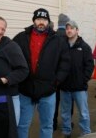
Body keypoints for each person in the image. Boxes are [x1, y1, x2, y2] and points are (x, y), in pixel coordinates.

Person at [13, 8, 71, 138]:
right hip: (25, 89)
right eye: (38, 19)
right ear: (33, 21)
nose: (41, 22)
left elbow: (65, 62)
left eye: (44, 20)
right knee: (22, 124)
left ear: (48, 22)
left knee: (47, 125)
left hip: (48, 91)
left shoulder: (57, 40)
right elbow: (10, 56)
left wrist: (56, 81)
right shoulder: (21, 38)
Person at [60, 20, 94, 137]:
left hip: (79, 88)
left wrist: (83, 80)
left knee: (83, 113)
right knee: (65, 113)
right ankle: (66, 131)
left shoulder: (84, 47)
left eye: (72, 28)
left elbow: (90, 66)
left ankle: (86, 133)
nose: (69, 30)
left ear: (77, 30)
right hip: (65, 87)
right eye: (67, 28)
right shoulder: (62, 46)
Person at [53, 13, 74, 131]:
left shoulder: (53, 36)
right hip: (67, 74)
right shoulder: (69, 36)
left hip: (54, 75)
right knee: (68, 101)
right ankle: (67, 123)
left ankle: (53, 123)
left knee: (54, 100)